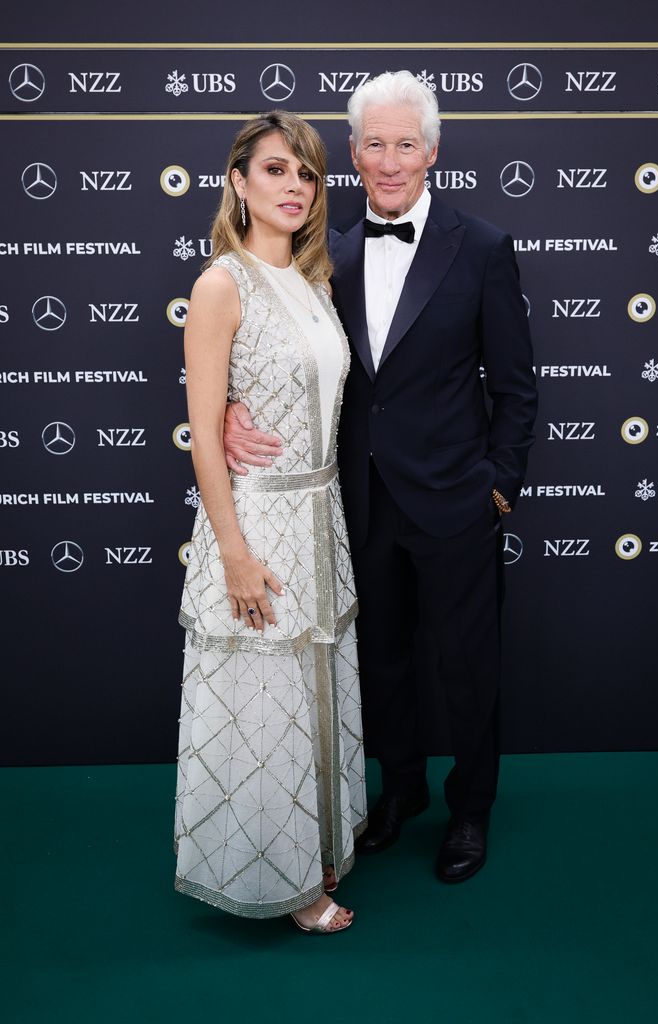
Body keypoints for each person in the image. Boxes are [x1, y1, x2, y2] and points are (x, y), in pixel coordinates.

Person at [223, 73, 537, 884]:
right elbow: (282, 353)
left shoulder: (483, 246)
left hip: (457, 501)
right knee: (381, 663)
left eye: (406, 143)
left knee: (469, 667)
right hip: (357, 501)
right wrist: (228, 410)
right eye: (373, 143)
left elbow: (515, 387)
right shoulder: (325, 253)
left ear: (431, 151)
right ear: (352, 153)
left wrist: (497, 487)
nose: (389, 161)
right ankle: (399, 792)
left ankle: (470, 808)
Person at [174, 111, 366, 934]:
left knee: (311, 692)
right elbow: (204, 435)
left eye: (308, 174)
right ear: (239, 182)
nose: (295, 187)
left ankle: (314, 847)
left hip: (322, 514)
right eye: (277, 170)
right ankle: (285, 887)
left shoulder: (316, 281)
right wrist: (234, 555)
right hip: (258, 523)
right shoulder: (222, 283)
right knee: (265, 700)